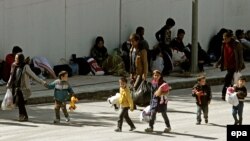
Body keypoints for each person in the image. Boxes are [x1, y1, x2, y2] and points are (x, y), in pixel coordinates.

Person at [6, 53, 46, 121]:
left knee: (20, 103)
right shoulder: (13, 65)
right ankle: (24, 116)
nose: (15, 59)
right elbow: (11, 75)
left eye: (17, 58)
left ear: (20, 59)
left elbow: (33, 75)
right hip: (15, 87)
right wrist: (8, 83)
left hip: (23, 88)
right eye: (15, 58)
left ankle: (22, 116)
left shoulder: (25, 66)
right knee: (19, 103)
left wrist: (42, 82)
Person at [215, 31, 245, 101]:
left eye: (225, 38)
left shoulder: (236, 44)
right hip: (228, 65)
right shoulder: (224, 44)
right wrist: (218, 63)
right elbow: (222, 55)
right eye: (223, 38)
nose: (224, 40)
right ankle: (232, 94)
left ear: (229, 38)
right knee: (232, 81)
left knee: (227, 79)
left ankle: (223, 94)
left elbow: (240, 56)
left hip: (235, 65)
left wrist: (239, 67)